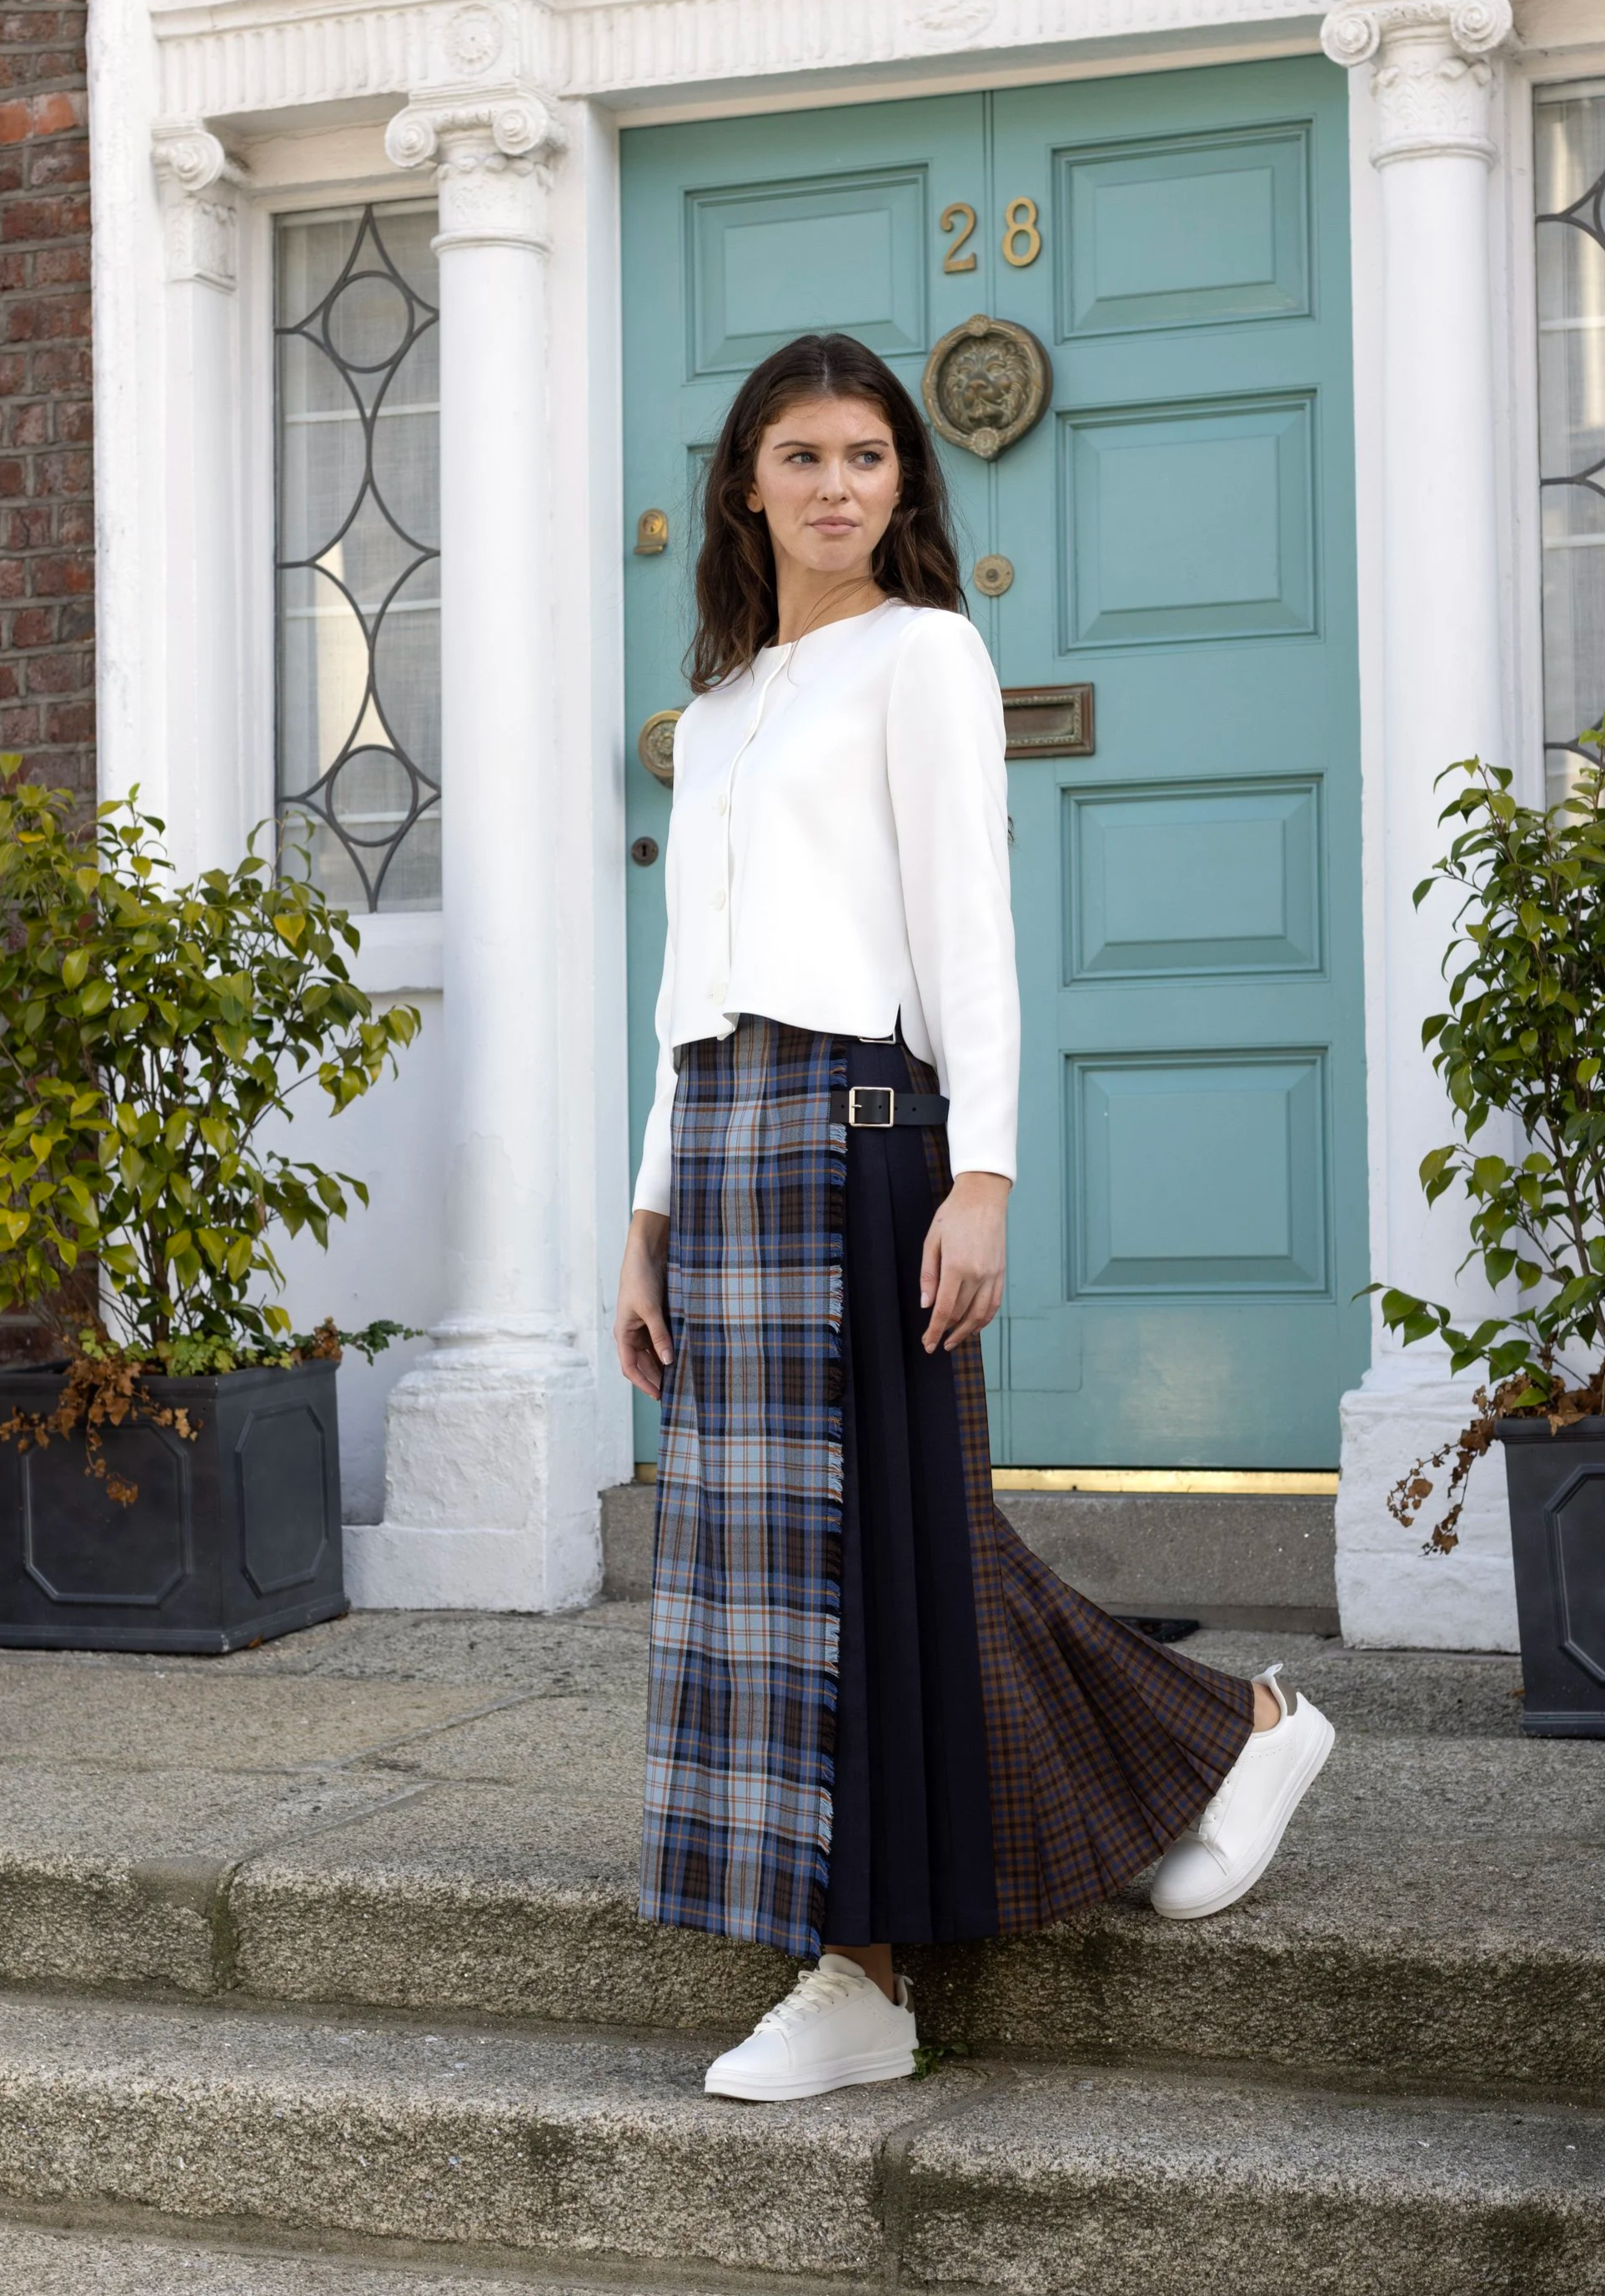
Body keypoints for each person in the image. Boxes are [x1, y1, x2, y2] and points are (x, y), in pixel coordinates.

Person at [614, 332, 1334, 2104]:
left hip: (862, 1138)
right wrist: (639, 1213)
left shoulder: (925, 657)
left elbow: (971, 932)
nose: (840, 485)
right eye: (804, 456)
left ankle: (861, 1968)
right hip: (718, 1148)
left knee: (875, 1556)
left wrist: (983, 1173)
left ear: (904, 487)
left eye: (871, 457)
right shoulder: (711, 715)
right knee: (788, 1574)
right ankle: (1227, 1731)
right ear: (744, 484)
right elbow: (682, 991)